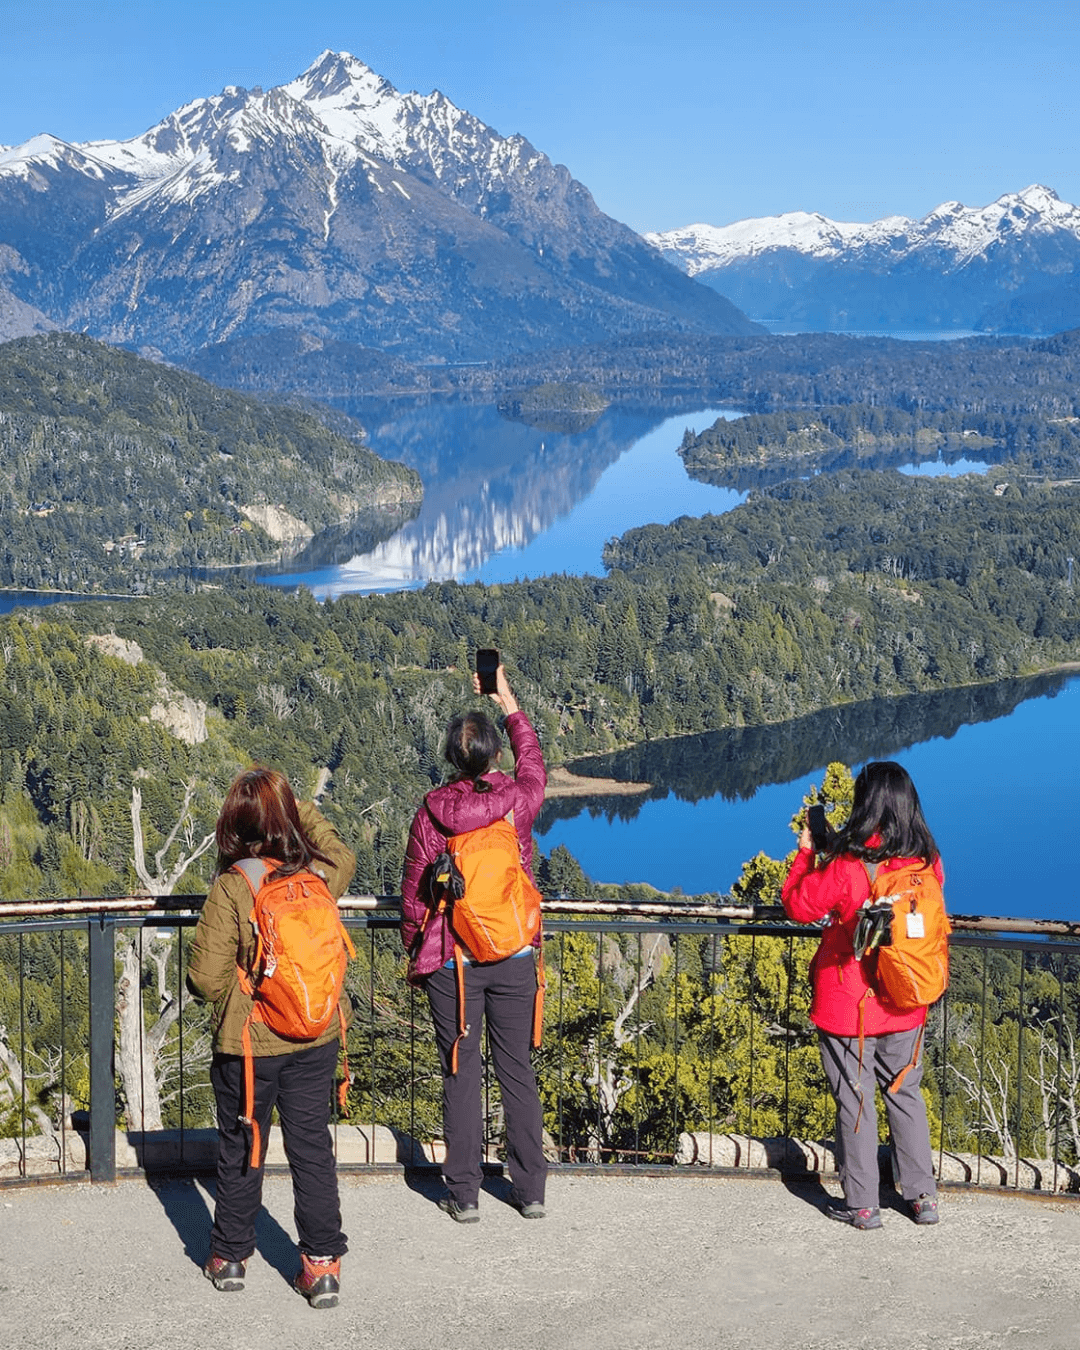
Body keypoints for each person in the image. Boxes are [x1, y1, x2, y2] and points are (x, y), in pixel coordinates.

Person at [187, 768, 356, 1306]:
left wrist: (245, 982)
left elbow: (205, 981)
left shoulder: (235, 886)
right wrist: (296, 807)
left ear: (235, 824)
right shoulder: (319, 874)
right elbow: (342, 853)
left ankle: (230, 1256)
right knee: (312, 1147)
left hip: (251, 1044)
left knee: (244, 1145)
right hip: (317, 1032)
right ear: (285, 820)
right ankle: (322, 1265)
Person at [401, 663, 547, 1222]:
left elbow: (415, 894)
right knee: (517, 1072)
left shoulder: (433, 814)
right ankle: (530, 1191)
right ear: (493, 755)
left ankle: (463, 1195)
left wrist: (419, 951)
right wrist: (507, 700)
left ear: (450, 758)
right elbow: (533, 763)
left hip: (454, 962)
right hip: (513, 951)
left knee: (461, 1076)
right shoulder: (518, 800)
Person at [782, 760, 942, 1229]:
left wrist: (808, 853)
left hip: (849, 1005)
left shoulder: (846, 866)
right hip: (907, 999)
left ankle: (864, 1204)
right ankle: (922, 1197)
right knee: (905, 1094)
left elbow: (798, 905)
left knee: (855, 1100)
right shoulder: (925, 861)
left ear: (863, 804)